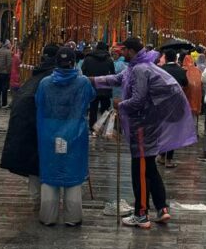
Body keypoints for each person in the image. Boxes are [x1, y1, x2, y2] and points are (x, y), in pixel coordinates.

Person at [90, 38, 197, 229]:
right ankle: (162, 208)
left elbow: (138, 100)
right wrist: (91, 81)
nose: (121, 53)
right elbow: (117, 79)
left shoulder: (140, 70)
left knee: (139, 168)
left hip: (142, 126)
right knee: (150, 167)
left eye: (123, 50)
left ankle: (141, 214)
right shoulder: (138, 66)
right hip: (149, 125)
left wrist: (120, 105)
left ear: (131, 51)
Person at [35, 48, 95, 227]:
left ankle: (48, 216)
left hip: (49, 132)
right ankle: (73, 217)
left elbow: (39, 102)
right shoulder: (83, 82)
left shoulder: (45, 83)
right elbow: (90, 97)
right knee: (73, 173)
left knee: (50, 171)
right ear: (74, 62)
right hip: (74, 133)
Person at [0, 45, 59, 199]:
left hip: (29, 126)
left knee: (35, 159)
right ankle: (47, 196)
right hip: (47, 126)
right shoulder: (52, 79)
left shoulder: (35, 78)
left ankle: (37, 195)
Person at [157, 48, 188, 168]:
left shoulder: (160, 69)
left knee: (163, 129)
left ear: (165, 57)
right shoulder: (181, 71)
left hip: (161, 103)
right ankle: (168, 160)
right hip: (176, 103)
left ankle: (161, 155)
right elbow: (186, 84)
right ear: (175, 58)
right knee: (173, 131)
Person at [80, 42, 115, 130]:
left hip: (92, 86)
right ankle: (103, 127)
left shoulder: (88, 59)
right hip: (105, 88)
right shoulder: (109, 59)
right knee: (105, 109)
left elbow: (83, 71)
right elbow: (113, 74)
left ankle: (92, 127)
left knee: (93, 109)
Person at [0, 41, 12, 108]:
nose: (10, 45)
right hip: (5, 72)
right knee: (4, 88)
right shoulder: (8, 52)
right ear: (7, 45)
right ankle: (4, 102)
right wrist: (8, 71)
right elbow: (9, 63)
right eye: (10, 44)